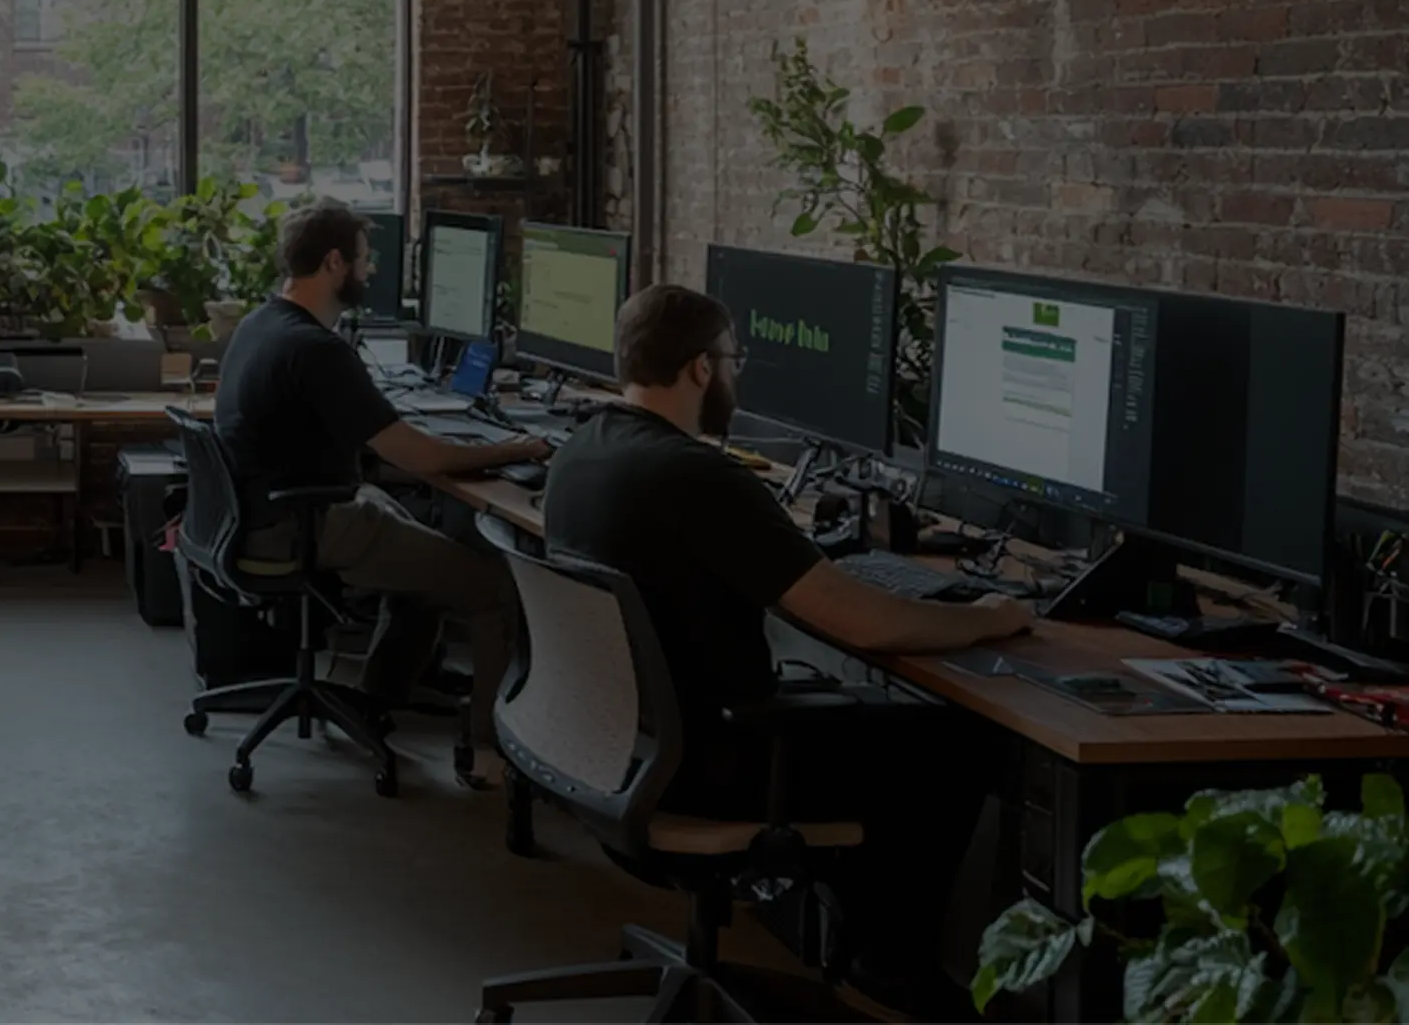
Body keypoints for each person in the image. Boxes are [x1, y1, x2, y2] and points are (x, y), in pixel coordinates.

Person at [541, 282, 1028, 1012]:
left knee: (878, 713)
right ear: (703, 369)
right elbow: (867, 624)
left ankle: (859, 940)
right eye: (735, 360)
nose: (736, 376)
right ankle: (889, 964)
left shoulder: (583, 449)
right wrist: (986, 617)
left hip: (618, 747)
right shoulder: (700, 477)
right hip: (710, 769)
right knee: (956, 738)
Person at [214, 201, 551, 768]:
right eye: (365, 262)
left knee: (415, 535)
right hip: (301, 525)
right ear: (334, 263)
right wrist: (513, 450)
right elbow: (416, 456)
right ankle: (489, 749)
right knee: (492, 589)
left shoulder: (263, 322)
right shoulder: (318, 351)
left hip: (268, 513)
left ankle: (379, 696)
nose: (370, 273)